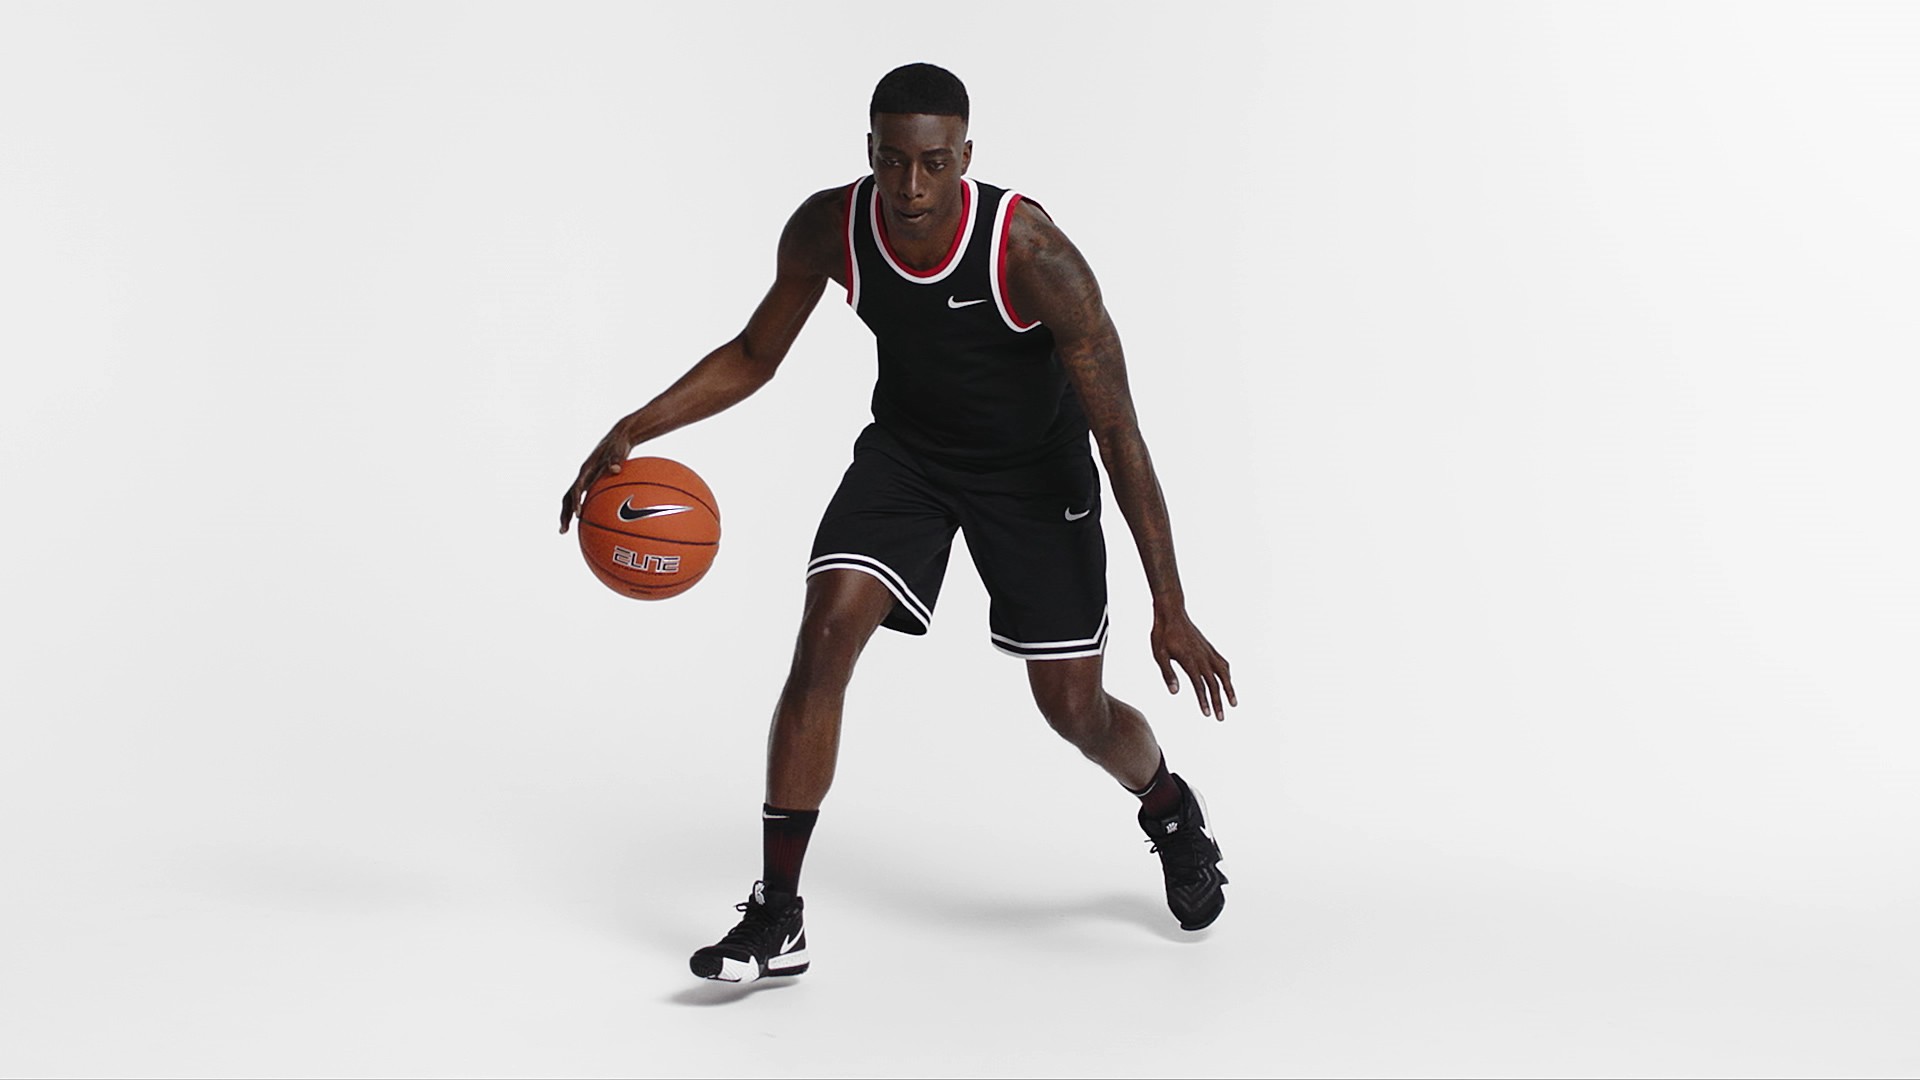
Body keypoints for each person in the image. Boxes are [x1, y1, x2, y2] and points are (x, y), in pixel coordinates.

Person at [561, 63, 1236, 984]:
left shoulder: (1032, 253)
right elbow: (756, 352)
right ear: (871, 152)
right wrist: (634, 428)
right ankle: (779, 914)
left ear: (966, 156)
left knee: (1072, 709)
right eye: (892, 160)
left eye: (933, 163)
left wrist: (1171, 605)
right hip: (910, 459)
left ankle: (1167, 806)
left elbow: (1117, 432)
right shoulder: (830, 226)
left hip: (1034, 478)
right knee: (824, 635)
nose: (911, 185)